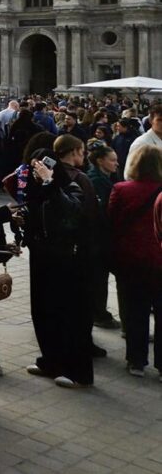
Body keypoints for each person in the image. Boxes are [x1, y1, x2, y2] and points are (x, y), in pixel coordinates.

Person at [22, 145, 94, 388]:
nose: (37, 172)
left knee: (68, 315)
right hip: (44, 254)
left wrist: (50, 182)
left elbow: (71, 210)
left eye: (41, 167)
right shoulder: (40, 187)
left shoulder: (71, 183)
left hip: (67, 258)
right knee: (43, 311)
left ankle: (76, 370)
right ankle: (51, 360)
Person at [107, 145, 162, 377]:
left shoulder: (121, 189)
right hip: (159, 260)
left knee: (135, 311)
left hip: (131, 260)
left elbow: (111, 222)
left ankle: (136, 361)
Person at [87, 142, 122, 330]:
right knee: (99, 279)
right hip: (100, 239)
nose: (116, 163)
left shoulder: (108, 177)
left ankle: (100, 312)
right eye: (113, 160)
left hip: (105, 238)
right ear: (101, 161)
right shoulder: (96, 181)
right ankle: (99, 314)